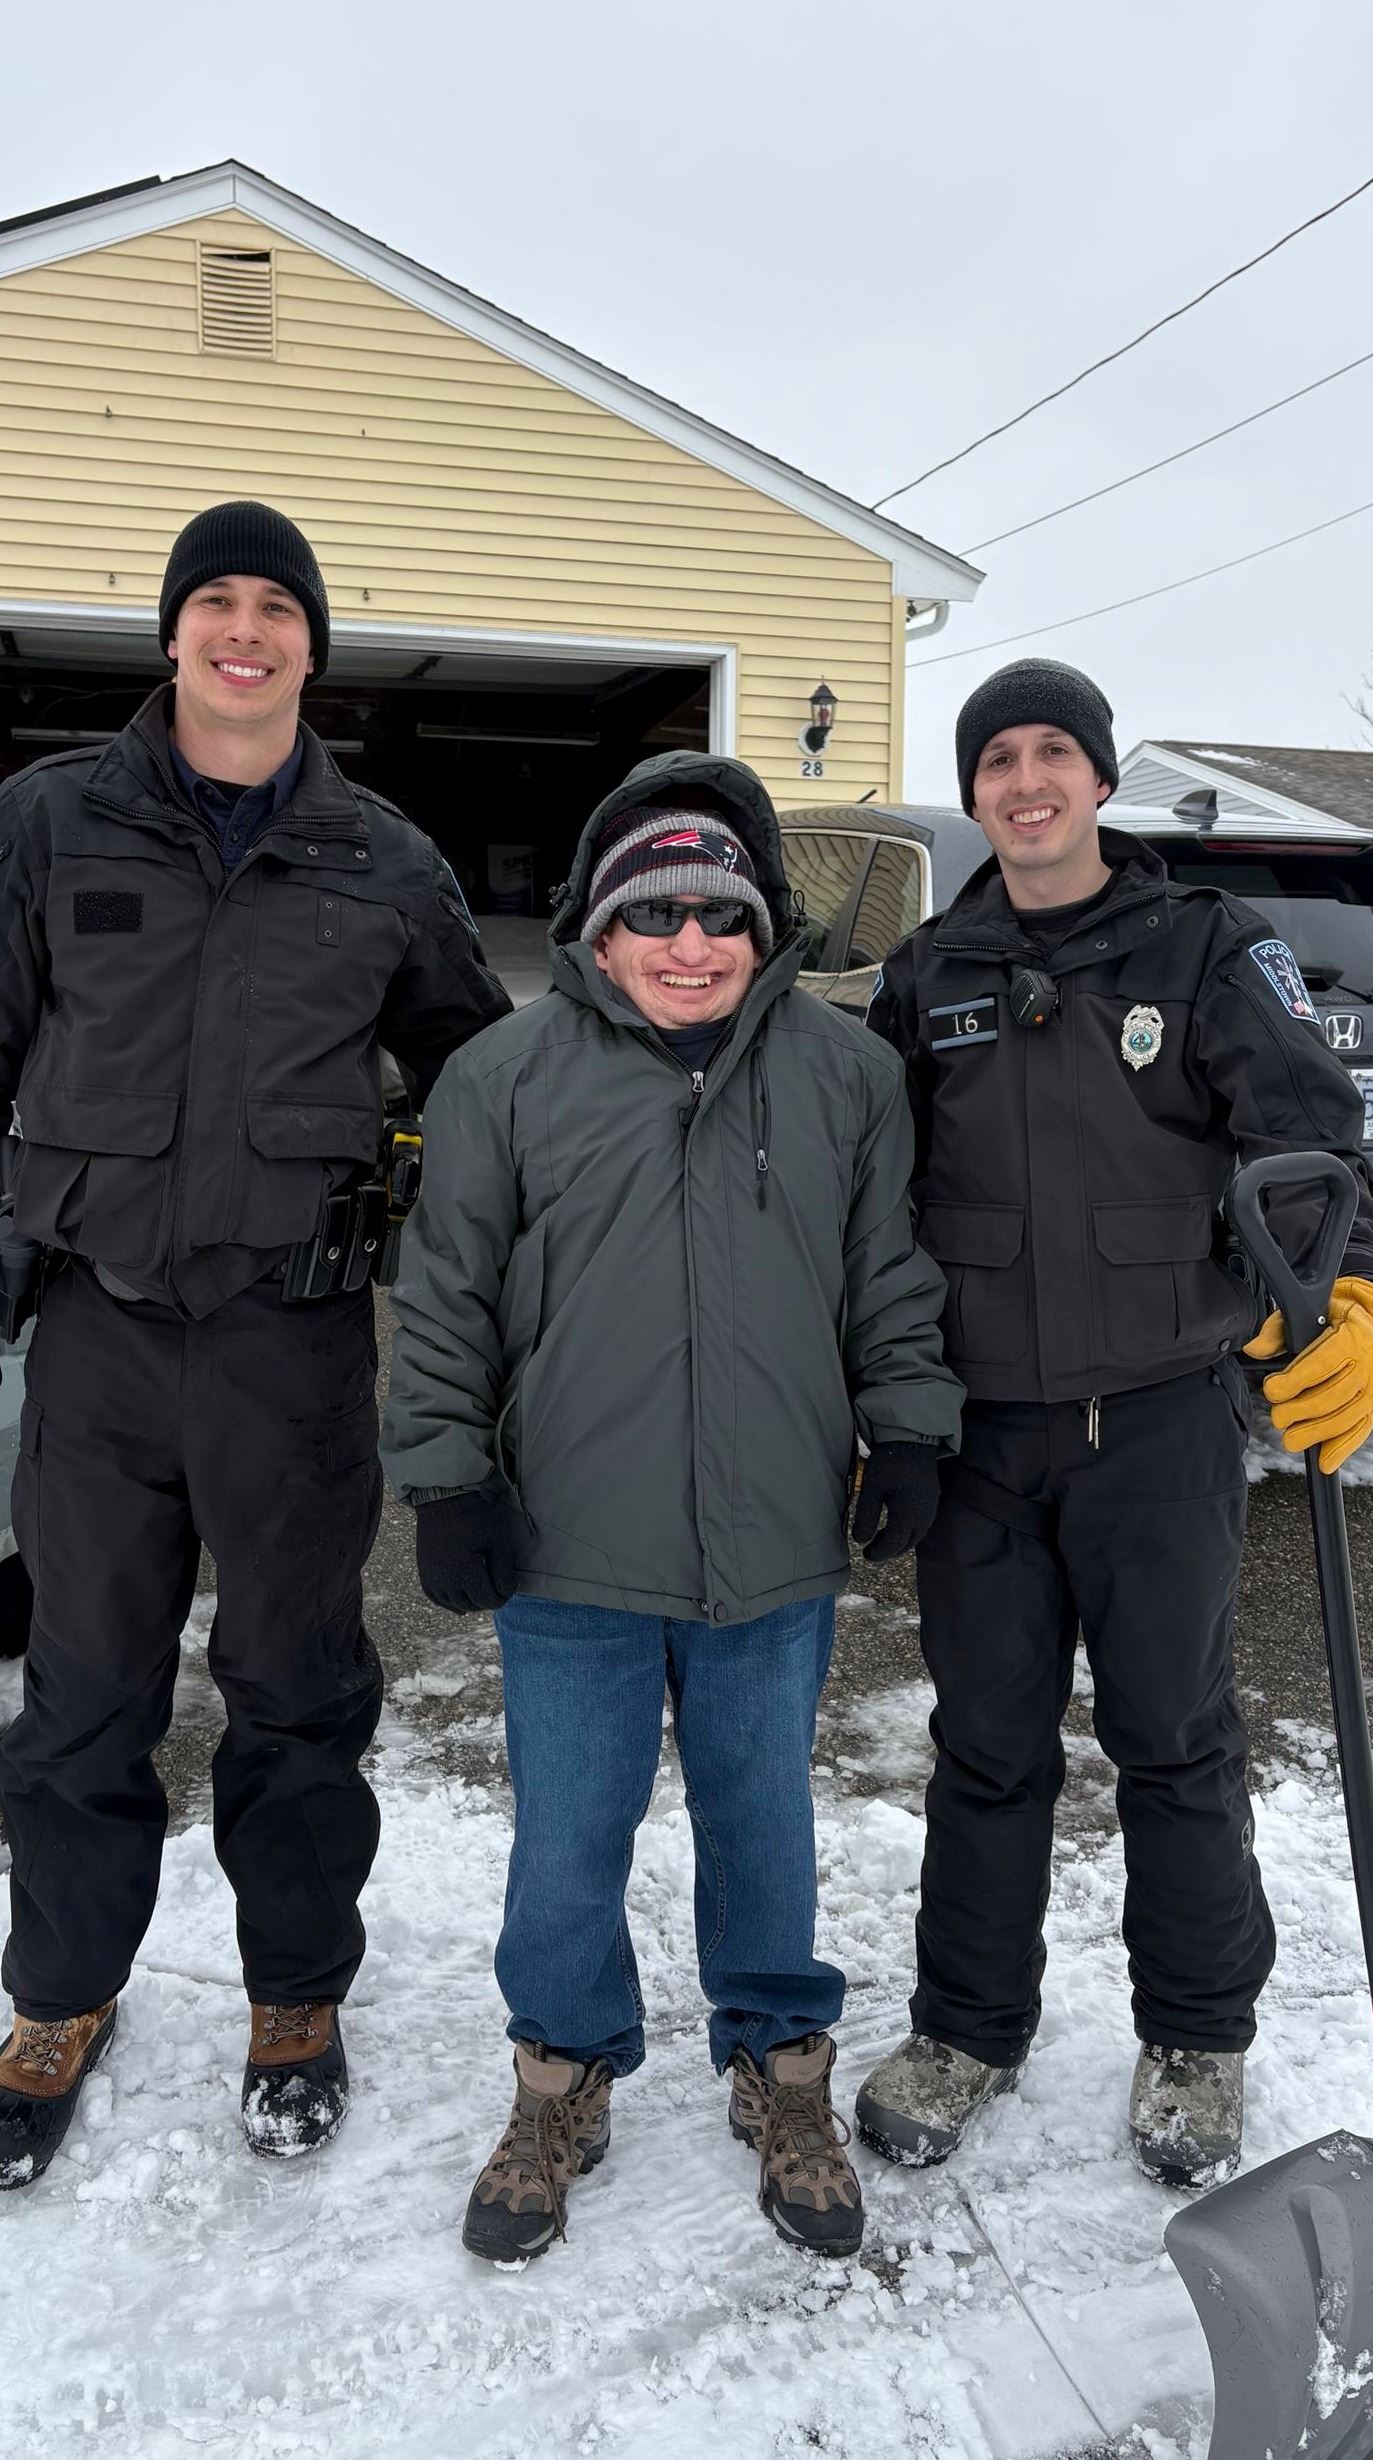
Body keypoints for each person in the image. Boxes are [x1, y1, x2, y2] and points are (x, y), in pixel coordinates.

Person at [0, 501, 510, 2189]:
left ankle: (296, 1993)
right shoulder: (51, 824)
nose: (247, 631)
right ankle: (61, 1997)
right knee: (84, 1689)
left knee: (298, 1689)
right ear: (173, 635)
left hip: (296, 1345)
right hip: (97, 1339)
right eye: (215, 603)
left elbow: (492, 1085)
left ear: (315, 644)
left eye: (277, 609)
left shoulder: (381, 857)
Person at [382, 752, 963, 2261]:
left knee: (762, 1820)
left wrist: (906, 1431)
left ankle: (780, 2067)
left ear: (764, 929)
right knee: (570, 1834)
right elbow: (444, 1299)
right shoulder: (503, 1080)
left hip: (771, 1540)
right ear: (600, 929)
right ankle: (560, 2075)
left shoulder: (849, 1079)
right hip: (566, 1542)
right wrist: (446, 1474)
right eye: (658, 915)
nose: (691, 944)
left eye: (721, 913)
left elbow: (890, 1278)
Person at [855, 658, 1373, 2185]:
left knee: (1173, 1741)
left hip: (1159, 1420)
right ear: (975, 794)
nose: (1026, 783)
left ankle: (1197, 2036)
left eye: (1053, 755)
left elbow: (1316, 1153)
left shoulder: (1210, 949)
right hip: (985, 1439)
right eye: (997, 761)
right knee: (986, 1744)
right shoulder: (933, 971)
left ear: (1098, 779)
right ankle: (969, 2027)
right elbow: (874, 1199)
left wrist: (1355, 1303)